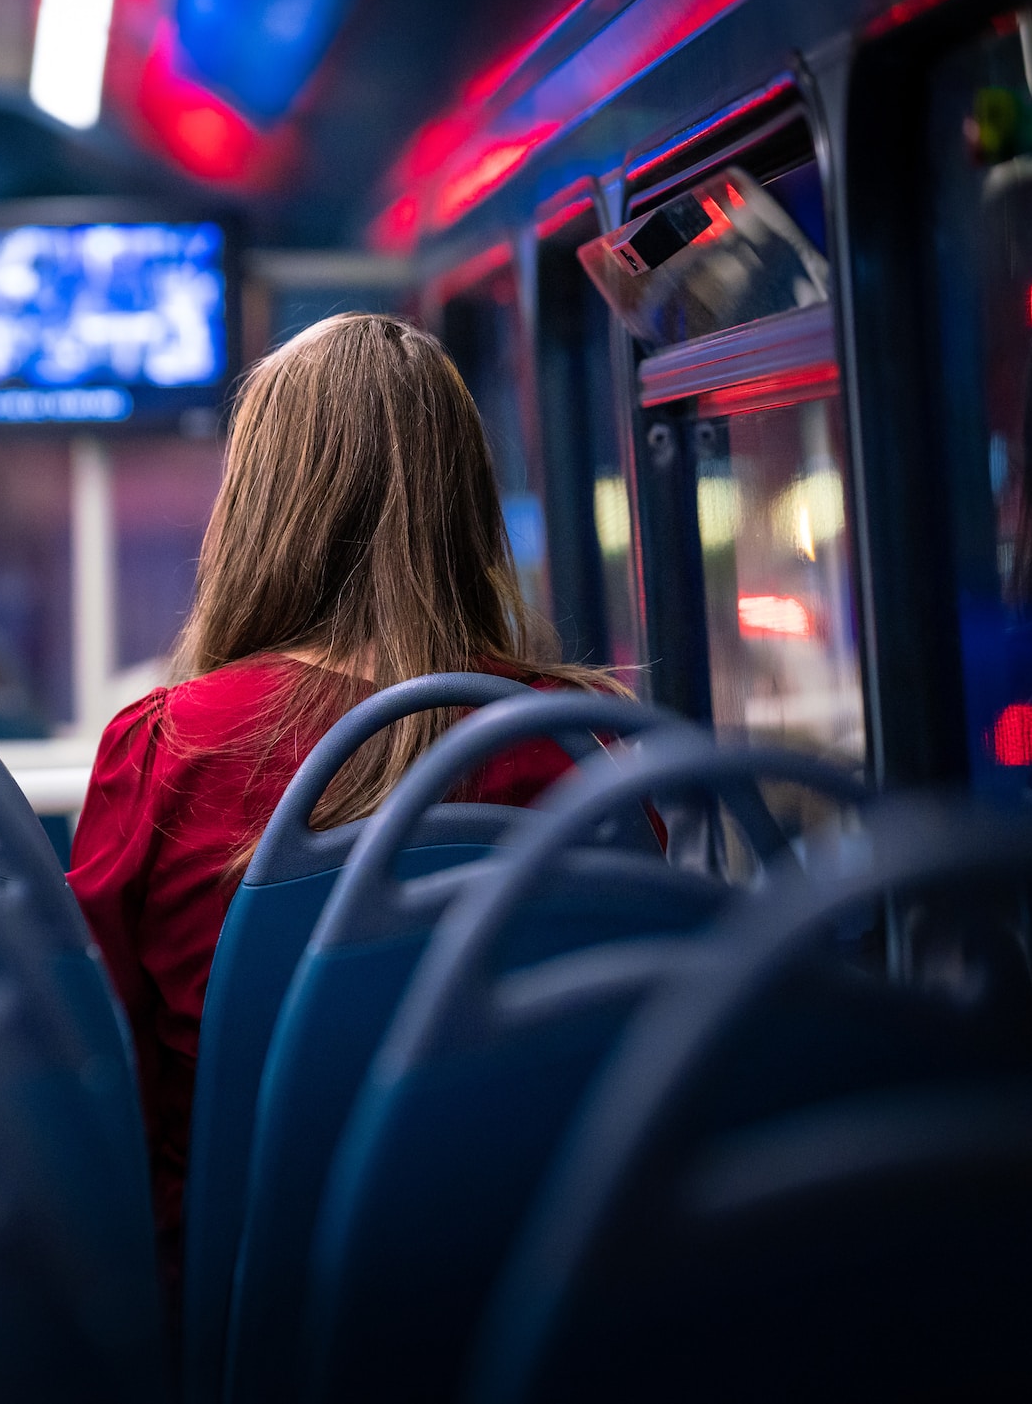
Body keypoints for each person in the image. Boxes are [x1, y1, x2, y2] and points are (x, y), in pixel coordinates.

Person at [66, 312, 629, 1290]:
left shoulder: (166, 747)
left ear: (259, 503)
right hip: (529, 1284)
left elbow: (98, 1079)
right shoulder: (580, 742)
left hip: (238, 1291)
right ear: (466, 497)